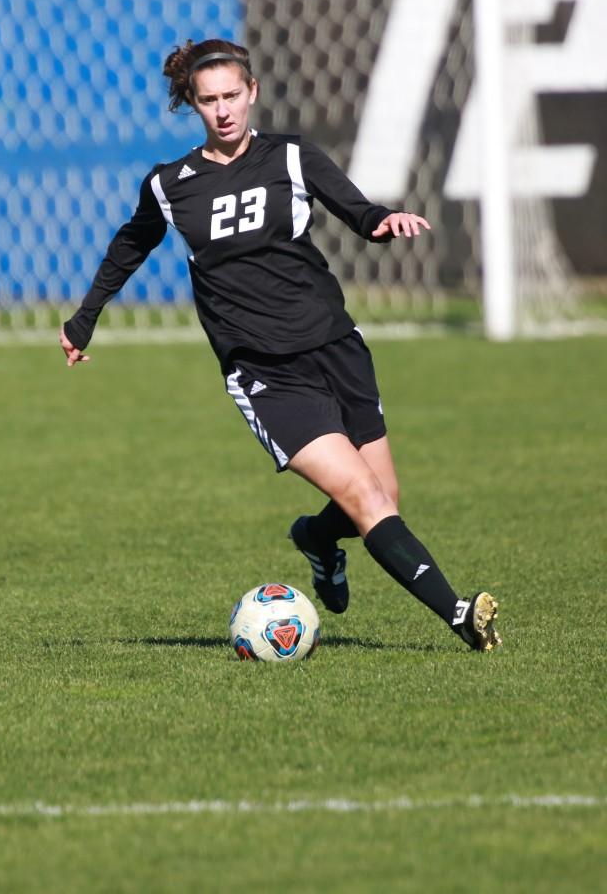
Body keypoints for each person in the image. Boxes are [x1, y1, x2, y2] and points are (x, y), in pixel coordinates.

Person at [60, 37, 501, 652]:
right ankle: (459, 615)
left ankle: (318, 541)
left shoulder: (292, 158)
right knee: (363, 496)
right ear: (193, 103)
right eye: (208, 100)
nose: (223, 110)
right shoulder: (171, 185)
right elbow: (131, 244)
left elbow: (358, 210)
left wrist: (383, 222)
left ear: (253, 93)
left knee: (382, 498)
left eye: (232, 96)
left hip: (336, 348)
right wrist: (86, 317)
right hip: (264, 371)